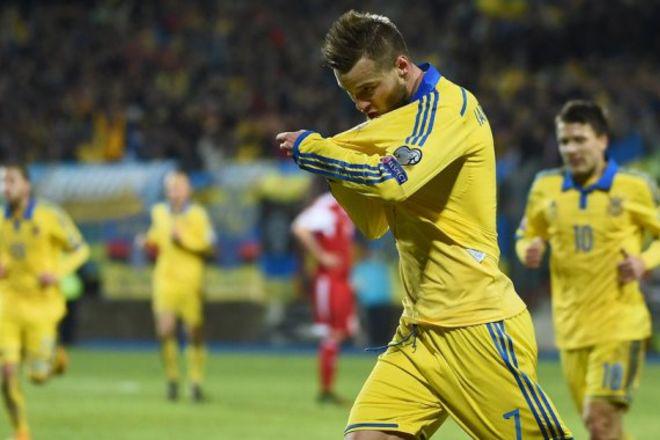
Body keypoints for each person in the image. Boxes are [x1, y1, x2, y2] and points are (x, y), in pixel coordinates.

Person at [277, 10, 573, 440]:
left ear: (401, 66)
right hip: (418, 332)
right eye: (351, 96)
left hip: (475, 325)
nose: (362, 105)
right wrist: (336, 162)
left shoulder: (449, 109)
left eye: (367, 89)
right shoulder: (394, 122)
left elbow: (390, 181)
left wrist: (318, 152)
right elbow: (374, 222)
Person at [516, 100, 658, 439]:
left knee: (599, 417)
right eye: (564, 141)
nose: (571, 149)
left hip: (619, 326)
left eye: (580, 139)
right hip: (570, 330)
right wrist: (528, 250)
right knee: (603, 427)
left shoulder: (633, 186)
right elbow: (527, 234)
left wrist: (644, 261)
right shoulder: (545, 187)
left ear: (603, 140)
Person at [0, 164, 90, 440]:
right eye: (3, 181)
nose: (5, 187)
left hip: (42, 307)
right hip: (7, 306)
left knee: (37, 377)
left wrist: (58, 273)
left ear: (26, 185)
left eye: (11, 181)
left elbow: (80, 249)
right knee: (7, 371)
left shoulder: (49, 215)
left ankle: (56, 360)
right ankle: (21, 431)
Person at [140, 170, 215, 402]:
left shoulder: (199, 215)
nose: (175, 192)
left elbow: (209, 246)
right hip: (164, 280)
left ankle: (195, 381)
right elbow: (155, 240)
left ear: (188, 190)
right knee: (165, 330)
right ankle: (172, 379)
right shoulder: (158, 213)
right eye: (171, 188)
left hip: (191, 281)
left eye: (179, 187)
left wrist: (184, 241)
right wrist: (146, 243)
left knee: (193, 332)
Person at [292, 191, 356, 404]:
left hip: (342, 279)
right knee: (332, 333)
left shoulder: (348, 205)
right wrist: (322, 256)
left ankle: (328, 389)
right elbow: (300, 228)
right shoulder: (327, 205)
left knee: (340, 333)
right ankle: (326, 390)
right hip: (329, 281)